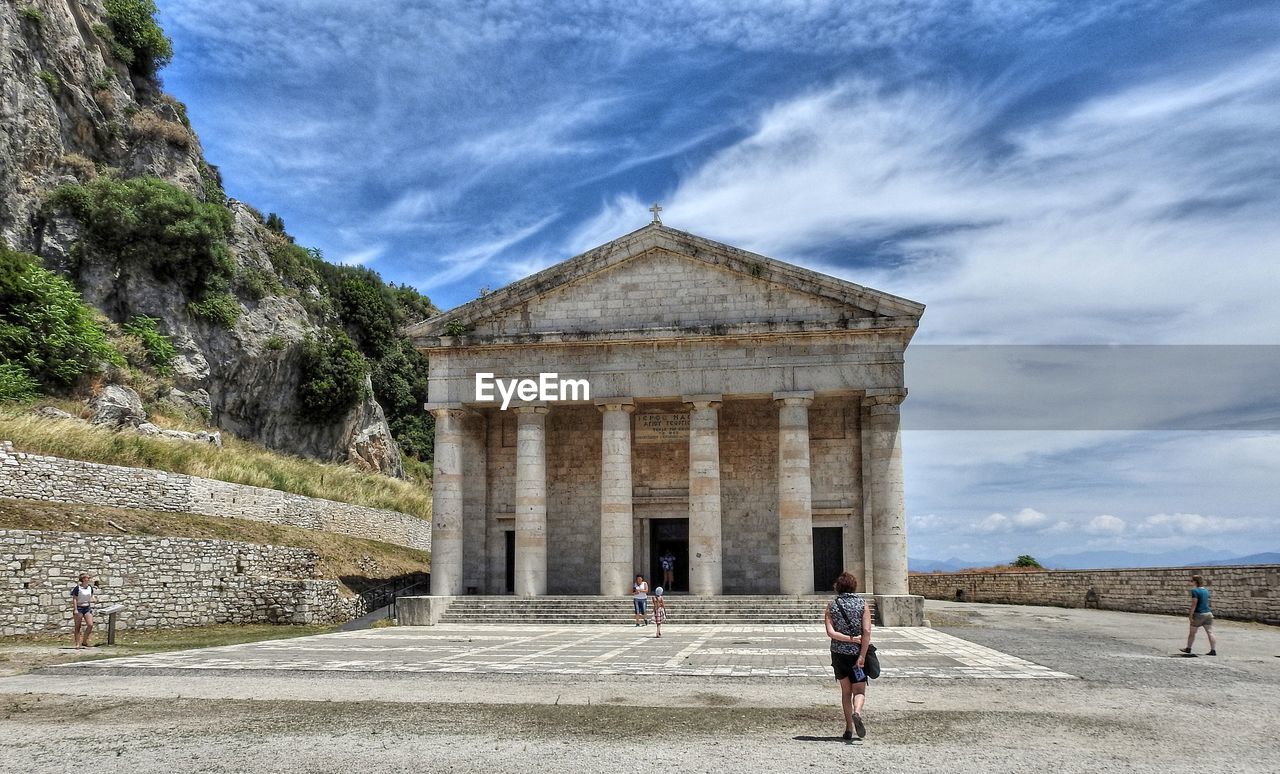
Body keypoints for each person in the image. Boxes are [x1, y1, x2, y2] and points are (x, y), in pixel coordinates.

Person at [824, 571, 871, 740]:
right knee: (859, 690)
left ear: (838, 587)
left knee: (846, 692)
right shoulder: (862, 604)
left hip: (838, 655)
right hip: (857, 655)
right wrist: (862, 654)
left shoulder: (832, 606)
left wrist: (847, 639)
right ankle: (857, 712)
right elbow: (866, 631)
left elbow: (831, 632)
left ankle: (849, 729)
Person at [1181, 574, 1217, 656]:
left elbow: (1194, 604)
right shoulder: (1206, 590)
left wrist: (1190, 615)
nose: (1191, 582)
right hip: (1208, 613)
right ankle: (1213, 650)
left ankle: (1188, 648)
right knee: (1210, 632)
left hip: (1199, 614)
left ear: (1195, 582)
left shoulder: (1195, 591)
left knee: (1192, 633)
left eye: (1191, 581)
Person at [69, 574, 96, 650]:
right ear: (83, 579)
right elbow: (74, 599)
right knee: (78, 626)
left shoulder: (90, 587)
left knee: (90, 625)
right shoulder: (78, 588)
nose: (88, 579)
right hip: (79, 607)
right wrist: (75, 609)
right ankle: (77, 644)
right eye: (87, 578)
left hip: (87, 607)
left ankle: (84, 641)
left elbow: (91, 595)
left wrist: (93, 599)